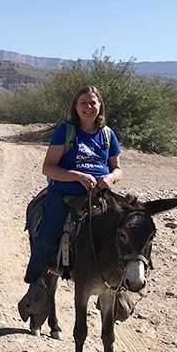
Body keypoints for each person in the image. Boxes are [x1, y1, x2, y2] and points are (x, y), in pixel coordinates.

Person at [23, 85, 123, 284]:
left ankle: (120, 287)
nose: (88, 107)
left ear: (100, 106)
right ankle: (37, 283)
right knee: (46, 239)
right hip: (65, 194)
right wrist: (77, 176)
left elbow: (118, 168)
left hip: (99, 195)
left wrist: (110, 178)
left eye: (92, 102)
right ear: (75, 107)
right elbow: (48, 168)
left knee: (128, 233)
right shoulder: (66, 131)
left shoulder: (107, 134)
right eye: (83, 103)